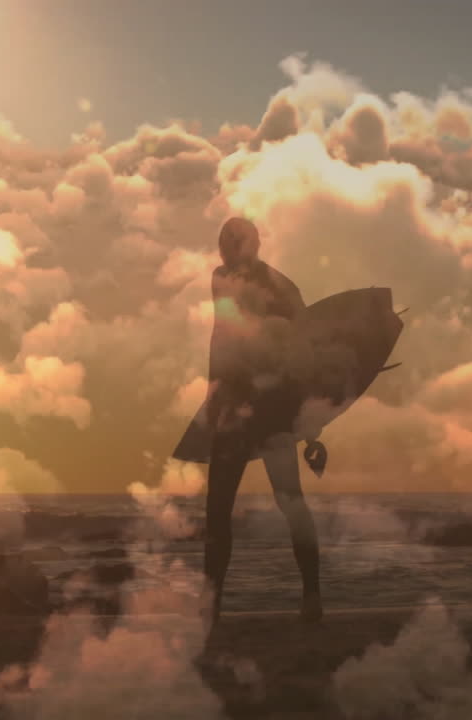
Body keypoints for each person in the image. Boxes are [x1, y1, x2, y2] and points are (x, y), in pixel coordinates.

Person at [202, 216, 322, 624]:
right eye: (223, 242)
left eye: (234, 241)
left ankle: (312, 595)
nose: (226, 249)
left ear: (253, 244)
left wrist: (311, 428)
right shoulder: (220, 279)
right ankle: (211, 605)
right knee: (217, 510)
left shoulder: (283, 289)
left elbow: (306, 357)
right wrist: (212, 394)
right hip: (232, 408)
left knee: (290, 501)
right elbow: (220, 337)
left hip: (273, 408)